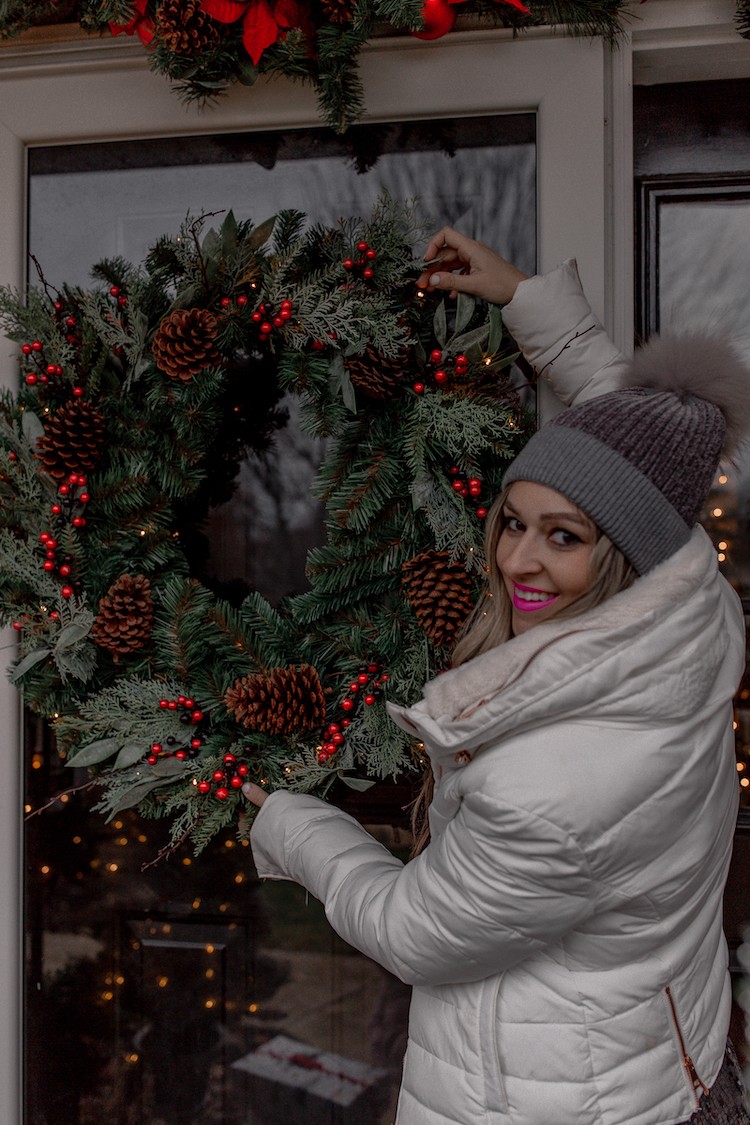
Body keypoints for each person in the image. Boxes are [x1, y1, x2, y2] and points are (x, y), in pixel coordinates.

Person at [243, 227, 750, 1124]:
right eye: (513, 521)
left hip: (549, 1099)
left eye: (564, 537)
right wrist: (530, 302)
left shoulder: (553, 788)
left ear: (626, 555)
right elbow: (634, 450)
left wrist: (290, 823)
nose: (517, 559)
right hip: (664, 1056)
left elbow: (412, 932)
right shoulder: (695, 602)